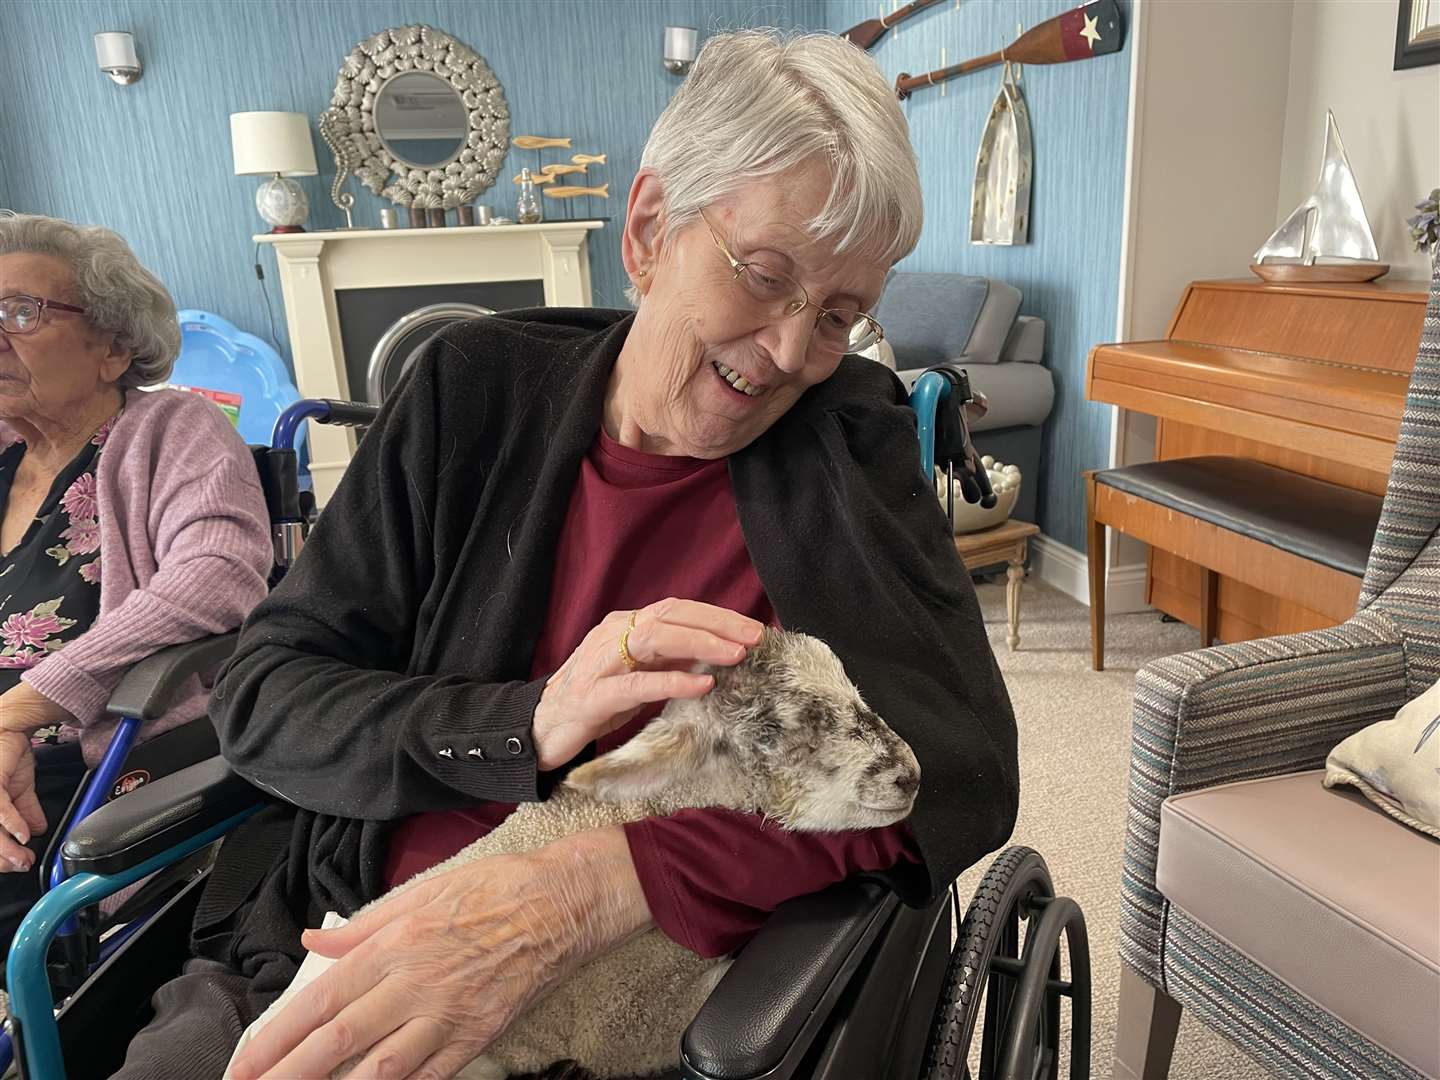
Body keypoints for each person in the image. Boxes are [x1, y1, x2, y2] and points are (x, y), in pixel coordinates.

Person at [119, 29, 1019, 1080]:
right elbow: (269, 696)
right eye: (765, 276)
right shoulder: (471, 391)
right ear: (648, 229)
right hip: (342, 929)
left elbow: (960, 771)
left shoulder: (846, 447)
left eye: (837, 315)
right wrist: (527, 723)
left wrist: (597, 881)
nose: (787, 353)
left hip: (623, 1010)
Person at [0, 213, 272, 954]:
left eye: (20, 311)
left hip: (87, 763)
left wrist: (18, 712)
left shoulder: (173, 430)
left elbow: (217, 577)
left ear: (114, 346)